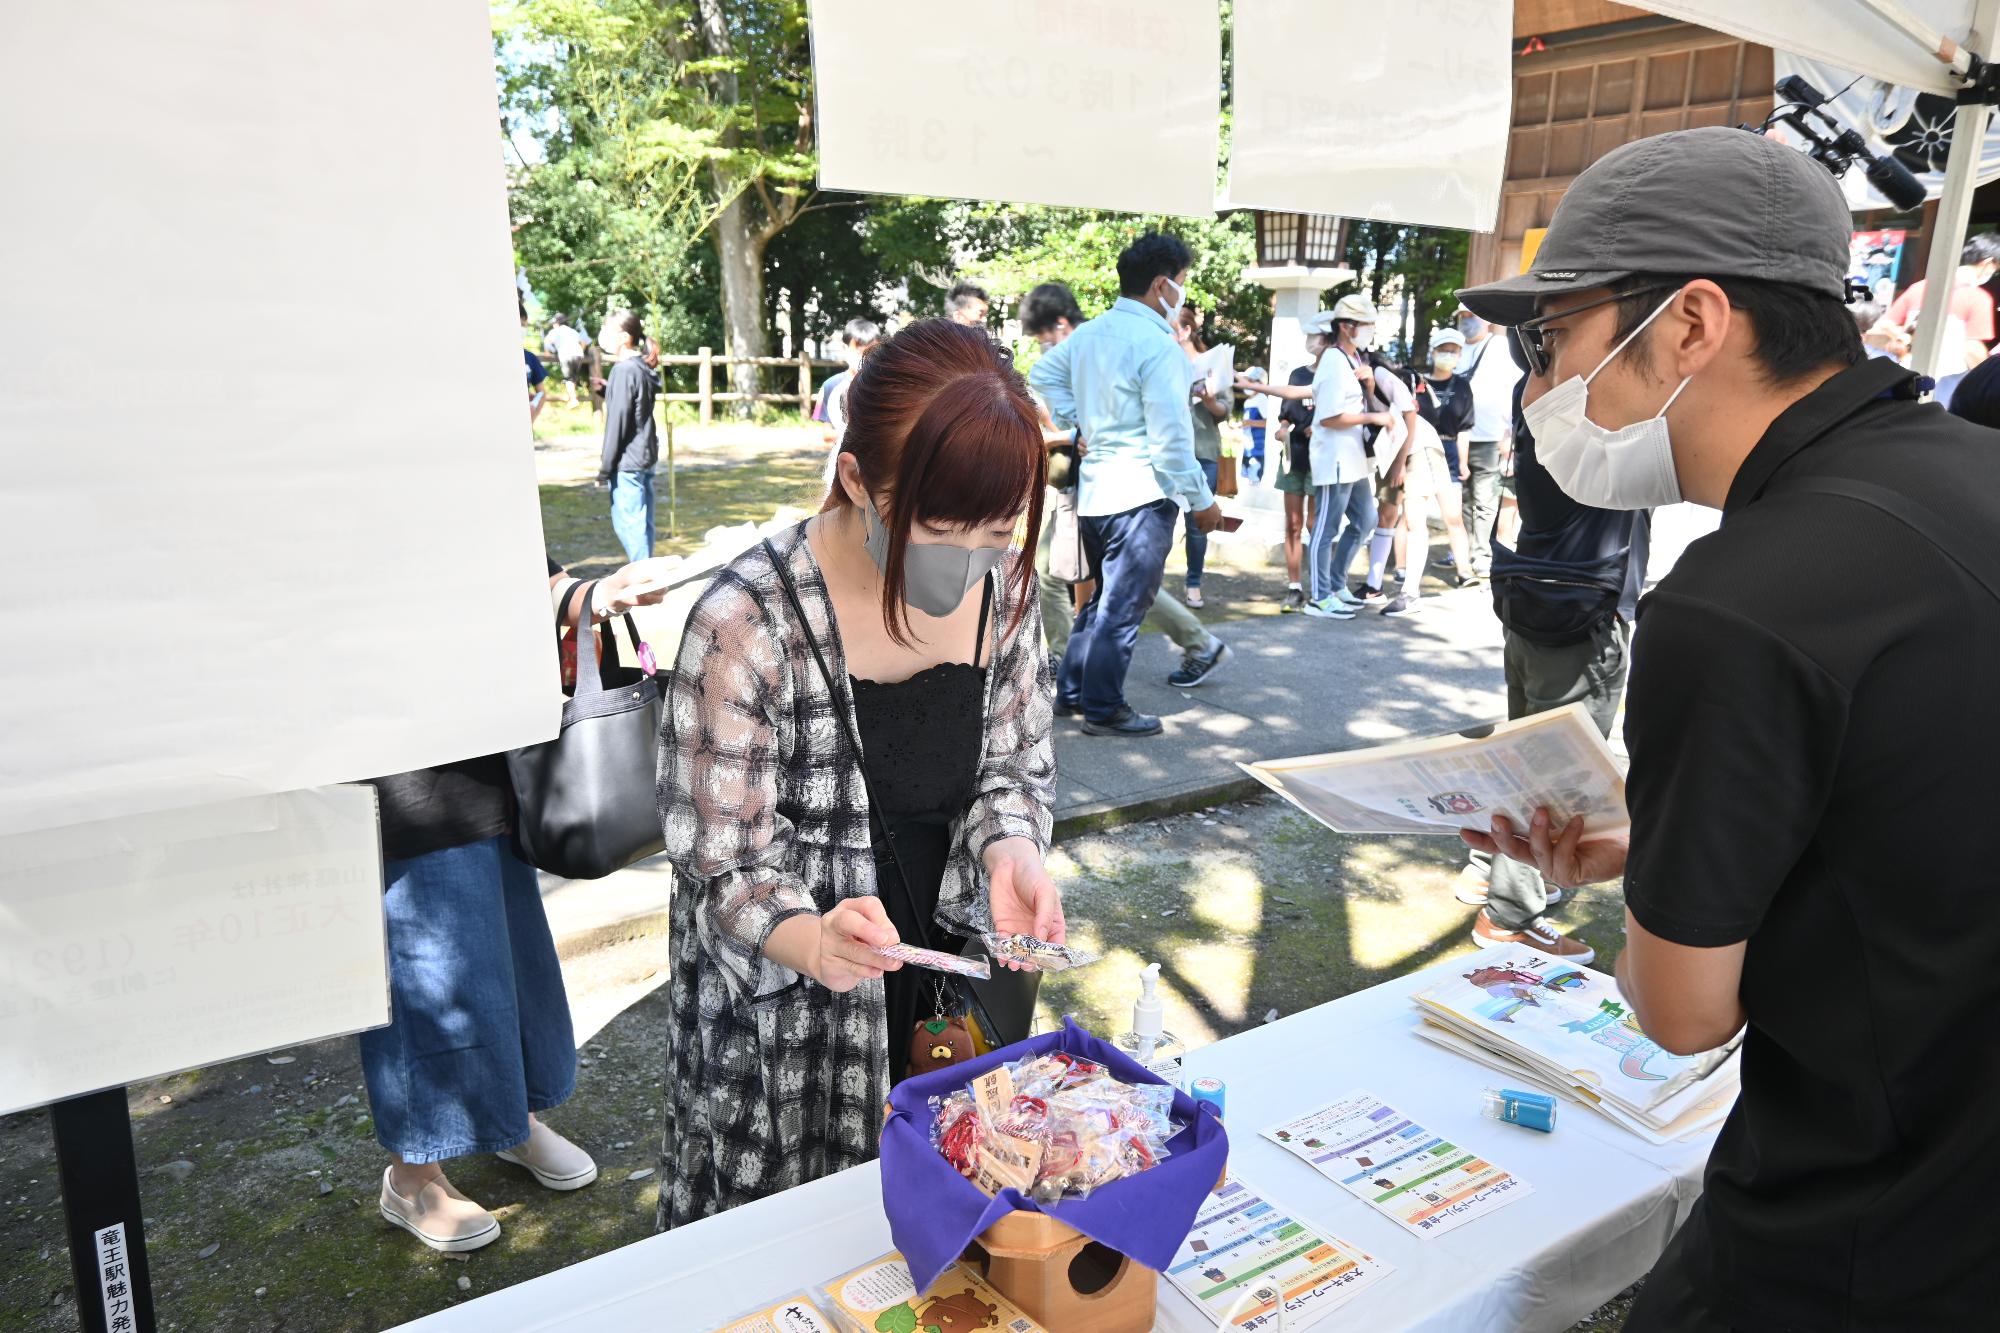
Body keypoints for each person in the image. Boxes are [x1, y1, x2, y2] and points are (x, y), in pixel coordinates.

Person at [1458, 124, 2000, 1330]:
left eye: (1554, 342)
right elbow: (1904, 822)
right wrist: (1664, 850)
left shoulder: (1737, 606)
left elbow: (1682, 1011)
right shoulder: (1969, 470)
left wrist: (1659, 893)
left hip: (1855, 1233)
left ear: (1691, 324)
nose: (1543, 390)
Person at [655, 319, 1063, 1228]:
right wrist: (808, 936)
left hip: (948, 947)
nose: (968, 565)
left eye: (994, 534)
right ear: (856, 481)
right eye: (939, 530)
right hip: (800, 979)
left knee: (957, 1204)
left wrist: (1011, 852)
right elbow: (721, 854)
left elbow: (1015, 766)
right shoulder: (744, 621)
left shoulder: (1009, 592)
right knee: (801, 1238)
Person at [367, 552, 680, 1252]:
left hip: (492, 739)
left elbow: (508, 560)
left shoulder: (473, 458)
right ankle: (413, 1173)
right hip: (395, 739)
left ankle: (508, 1117)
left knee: (508, 951)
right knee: (430, 965)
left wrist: (587, 595)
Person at [1030, 233, 1224, 736]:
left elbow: (1041, 373)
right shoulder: (1159, 348)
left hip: (1095, 492)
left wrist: (1079, 426)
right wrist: (1203, 502)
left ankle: (1073, 693)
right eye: (1181, 283)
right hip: (1142, 492)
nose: (1182, 293)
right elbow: (1171, 441)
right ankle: (1104, 708)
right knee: (1121, 608)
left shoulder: (1090, 334)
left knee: (1098, 603)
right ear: (1162, 284)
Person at [1301, 298, 1394, 619]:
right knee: (1326, 529)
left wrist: (1369, 389)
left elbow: (1361, 405)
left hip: (1353, 458)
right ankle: (1318, 596)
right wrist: (1373, 420)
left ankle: (1336, 584)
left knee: (1365, 520)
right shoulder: (1332, 361)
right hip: (1335, 458)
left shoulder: (1351, 358)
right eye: (1364, 325)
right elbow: (1328, 418)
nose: (1368, 331)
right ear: (1346, 326)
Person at [1454, 306, 1523, 581]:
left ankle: (1482, 553)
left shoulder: (1501, 348)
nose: (1467, 322)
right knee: (1461, 499)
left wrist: (1510, 434)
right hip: (1459, 436)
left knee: (1485, 498)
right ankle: (1463, 547)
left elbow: (1515, 390)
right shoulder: (1454, 347)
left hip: (1491, 435)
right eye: (1462, 318)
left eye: (1472, 316)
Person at [1174, 304, 1232, 608]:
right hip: (1166, 453)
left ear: (1185, 331)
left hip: (1203, 452)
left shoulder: (1212, 363)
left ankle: (1193, 583)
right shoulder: (1162, 362)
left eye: (1171, 328)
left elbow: (1224, 410)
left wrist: (1209, 400)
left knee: (1198, 522)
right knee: (1158, 519)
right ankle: (1150, 587)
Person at [1881, 232, 2000, 372]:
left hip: (1907, 372)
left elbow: (1884, 325)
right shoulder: (1978, 298)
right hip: (1945, 379)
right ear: (1987, 263)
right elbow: (1972, 349)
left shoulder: (1920, 287)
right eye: (1996, 270)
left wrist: (1908, 336)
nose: (1993, 274)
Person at [1412, 330, 1476, 581]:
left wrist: (1463, 461)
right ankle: (1402, 569)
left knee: (1453, 516)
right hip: (1418, 450)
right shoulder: (1417, 383)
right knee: (1412, 517)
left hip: (1448, 451)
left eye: (1453, 350)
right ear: (1433, 351)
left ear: (1460, 354)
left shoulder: (1462, 386)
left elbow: (1464, 429)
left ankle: (1464, 570)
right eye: (1443, 349)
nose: (1448, 355)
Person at [596, 310, 659, 564]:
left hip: (628, 459)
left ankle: (643, 578)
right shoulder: (640, 366)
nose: (603, 336)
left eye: (607, 330)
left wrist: (604, 467)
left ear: (623, 337)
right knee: (643, 520)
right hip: (645, 453)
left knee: (630, 524)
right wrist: (608, 391)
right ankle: (647, 570)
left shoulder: (623, 370)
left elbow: (618, 423)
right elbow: (635, 406)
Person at [817, 317, 883, 480]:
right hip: (839, 468)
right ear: (845, 348)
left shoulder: (883, 385)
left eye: (872, 351)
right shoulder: (830, 386)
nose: (864, 358)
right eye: (860, 351)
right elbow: (826, 434)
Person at [544, 314, 591, 406]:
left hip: (566, 355)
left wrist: (547, 352)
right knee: (573, 377)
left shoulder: (555, 331)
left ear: (557, 323)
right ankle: (572, 397)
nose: (553, 325)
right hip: (578, 355)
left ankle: (573, 400)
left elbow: (546, 341)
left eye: (554, 323)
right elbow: (583, 342)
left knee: (568, 378)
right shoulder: (572, 331)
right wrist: (580, 350)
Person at [1240, 368, 1268, 483]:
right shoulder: (1248, 401)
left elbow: (1268, 423)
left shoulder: (1262, 399)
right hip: (1248, 447)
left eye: (1251, 380)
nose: (1247, 384)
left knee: (1255, 480)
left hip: (1258, 448)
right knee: (1246, 479)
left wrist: (1251, 423)